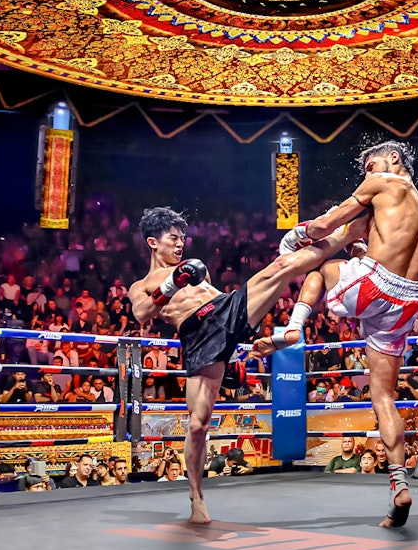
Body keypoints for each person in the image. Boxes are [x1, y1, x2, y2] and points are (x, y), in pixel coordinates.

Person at [128, 206, 356, 523]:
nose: (180, 244)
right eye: (173, 238)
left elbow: (216, 299)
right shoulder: (141, 285)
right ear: (153, 242)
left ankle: (353, 229)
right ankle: (196, 498)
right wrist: (171, 285)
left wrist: (233, 350)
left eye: (183, 238)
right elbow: (141, 314)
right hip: (197, 337)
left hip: (226, 310)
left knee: (282, 266)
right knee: (197, 426)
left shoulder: (195, 269)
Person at [252, 141, 418, 527]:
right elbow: (388, 246)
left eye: (371, 164)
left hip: (378, 284)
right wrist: (361, 247)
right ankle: (399, 484)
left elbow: (324, 225)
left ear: (394, 160)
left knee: (319, 271)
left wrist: (297, 235)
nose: (367, 172)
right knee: (383, 396)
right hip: (408, 302)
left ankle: (292, 330)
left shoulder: (383, 184)